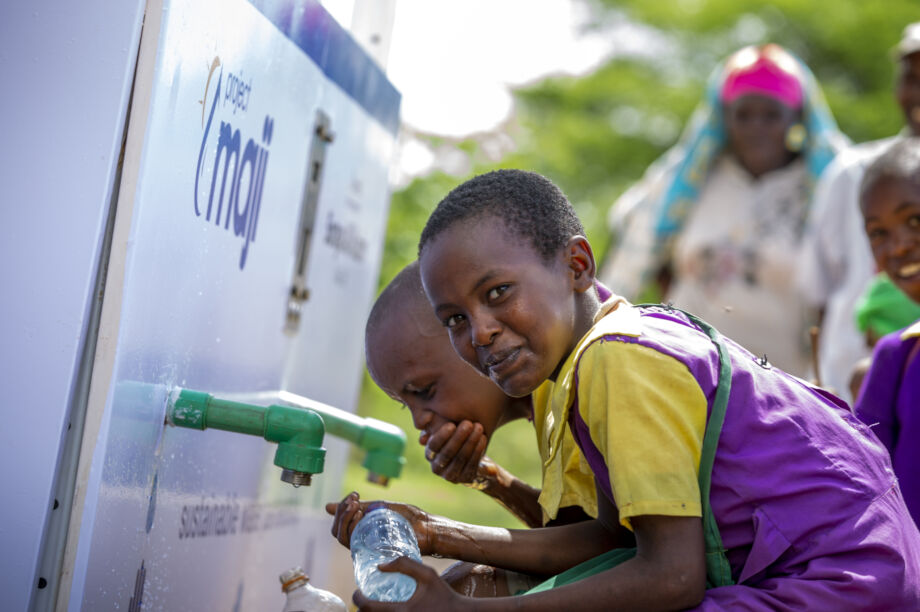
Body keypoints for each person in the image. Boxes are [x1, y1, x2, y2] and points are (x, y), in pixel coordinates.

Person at [329, 169, 920, 610]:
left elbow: (669, 576)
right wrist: (436, 533)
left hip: (842, 586)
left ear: (577, 265)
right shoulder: (586, 360)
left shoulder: (619, 359)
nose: (480, 331)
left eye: (498, 293)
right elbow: (612, 538)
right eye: (455, 319)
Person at [600, 44, 847, 378]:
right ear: (724, 117)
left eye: (771, 115)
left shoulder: (826, 187)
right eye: (743, 115)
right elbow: (640, 249)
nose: (756, 127)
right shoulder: (688, 182)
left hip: (786, 385)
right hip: (685, 375)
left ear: (795, 117)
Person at [362, 261, 599, 595]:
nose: (420, 421)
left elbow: (613, 550)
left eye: (426, 391)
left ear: (473, 339)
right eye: (407, 404)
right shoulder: (549, 396)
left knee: (473, 586)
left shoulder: (585, 378)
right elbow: (578, 531)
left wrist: (435, 532)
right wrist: (488, 478)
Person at [797, 21, 920, 402]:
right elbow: (816, 294)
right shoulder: (855, 175)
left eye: (913, 222)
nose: (898, 247)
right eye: (912, 76)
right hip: (850, 408)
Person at [854, 138, 920, 527]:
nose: (898, 247)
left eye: (914, 220)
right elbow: (863, 488)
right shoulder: (896, 358)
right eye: (878, 233)